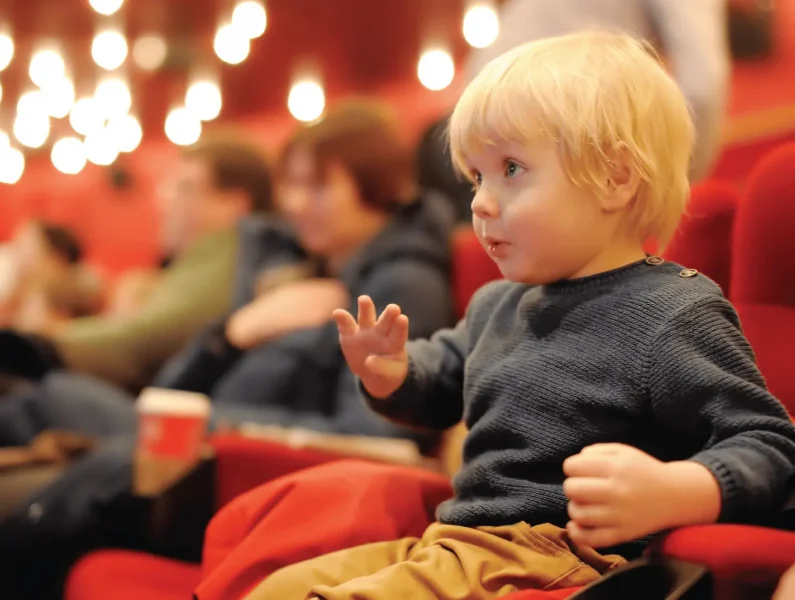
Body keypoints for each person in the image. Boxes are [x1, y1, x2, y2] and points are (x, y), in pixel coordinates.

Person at [245, 31, 795, 599]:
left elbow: (769, 445)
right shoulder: (496, 304)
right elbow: (440, 381)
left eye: (511, 168)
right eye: (477, 177)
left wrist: (679, 488)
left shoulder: (671, 312)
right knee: (278, 586)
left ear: (615, 179)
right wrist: (391, 374)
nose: (480, 202)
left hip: (556, 558)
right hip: (457, 542)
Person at [0, 100, 454, 599]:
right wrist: (238, 332)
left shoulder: (402, 282)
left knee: (42, 480)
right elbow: (170, 389)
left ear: (376, 188)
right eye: (292, 185)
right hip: (204, 446)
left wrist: (212, 428)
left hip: (242, 471)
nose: (296, 203)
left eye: (318, 186)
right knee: (46, 401)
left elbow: (372, 435)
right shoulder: (308, 269)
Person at [42, 135, 276, 390]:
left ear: (234, 204)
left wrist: (39, 340)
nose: (165, 200)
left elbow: (138, 343)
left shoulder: (229, 257)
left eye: (185, 187)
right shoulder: (210, 261)